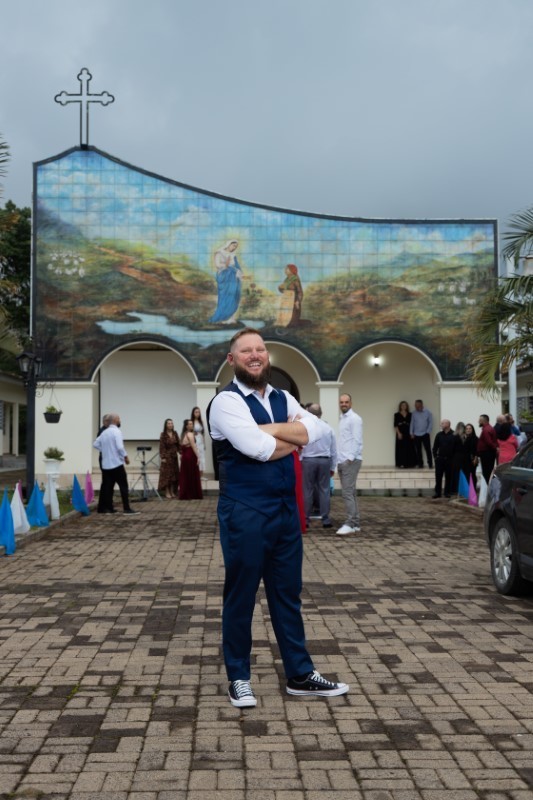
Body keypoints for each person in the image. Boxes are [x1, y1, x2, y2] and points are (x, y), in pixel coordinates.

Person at [208, 328, 349, 708]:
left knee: (287, 594)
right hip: (245, 511)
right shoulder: (225, 402)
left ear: (267, 356)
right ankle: (238, 677)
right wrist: (293, 437)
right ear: (232, 359)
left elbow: (320, 432)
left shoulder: (282, 397)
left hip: (285, 511)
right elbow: (256, 448)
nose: (255, 355)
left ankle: (300, 674)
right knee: (241, 595)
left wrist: (270, 432)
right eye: (246, 351)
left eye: (260, 349)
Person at [93, 413, 140, 515]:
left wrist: (105, 450)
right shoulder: (116, 431)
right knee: (123, 486)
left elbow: (95, 444)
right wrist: (125, 456)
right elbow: (120, 447)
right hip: (116, 464)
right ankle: (126, 508)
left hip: (106, 465)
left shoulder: (104, 432)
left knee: (108, 487)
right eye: (119, 419)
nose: (120, 420)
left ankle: (109, 508)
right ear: (114, 420)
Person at [301, 403, 337, 529]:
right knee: (324, 490)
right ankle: (325, 519)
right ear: (321, 414)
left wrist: (300, 460)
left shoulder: (305, 427)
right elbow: (334, 450)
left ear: (308, 413)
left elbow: (300, 446)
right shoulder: (328, 428)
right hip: (324, 460)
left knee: (307, 490)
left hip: (308, 461)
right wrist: (333, 466)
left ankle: (305, 519)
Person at [336, 393, 363, 535]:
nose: (344, 404)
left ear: (351, 403)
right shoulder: (343, 418)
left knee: (347, 493)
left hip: (350, 460)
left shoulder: (355, 419)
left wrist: (350, 459)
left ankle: (350, 523)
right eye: (341, 402)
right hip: (343, 460)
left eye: (346, 402)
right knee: (351, 492)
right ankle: (356, 523)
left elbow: (357, 440)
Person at [209, 239, 243, 324]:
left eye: (236, 247)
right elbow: (217, 265)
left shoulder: (233, 256)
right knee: (226, 297)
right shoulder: (219, 253)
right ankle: (223, 318)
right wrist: (226, 266)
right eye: (233, 245)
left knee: (233, 297)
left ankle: (230, 318)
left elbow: (237, 266)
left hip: (233, 278)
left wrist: (238, 271)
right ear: (228, 244)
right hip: (224, 277)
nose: (234, 247)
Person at [178, 420, 203, 499]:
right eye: (190, 424)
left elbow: (182, 446)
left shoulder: (183, 434)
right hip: (190, 456)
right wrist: (198, 456)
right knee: (191, 474)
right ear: (186, 426)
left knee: (186, 475)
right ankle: (192, 494)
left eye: (192, 424)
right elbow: (193, 446)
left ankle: (186, 493)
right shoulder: (190, 434)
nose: (191, 425)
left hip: (185, 456)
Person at [432, 419, 455, 498]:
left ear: (448, 424)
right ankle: (437, 493)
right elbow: (435, 447)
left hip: (450, 460)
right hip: (440, 459)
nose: (441, 425)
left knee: (448, 477)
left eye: (442, 423)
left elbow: (456, 448)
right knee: (438, 477)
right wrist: (435, 457)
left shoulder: (454, 434)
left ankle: (447, 492)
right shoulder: (439, 435)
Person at [158, 418, 180, 499]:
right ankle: (167, 491)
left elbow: (178, 444)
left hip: (174, 457)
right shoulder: (163, 434)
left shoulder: (175, 433)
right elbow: (162, 446)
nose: (170, 425)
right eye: (169, 423)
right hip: (167, 457)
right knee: (167, 475)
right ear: (166, 425)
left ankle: (172, 491)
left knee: (174, 475)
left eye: (171, 423)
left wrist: (181, 453)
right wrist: (163, 457)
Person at [410, 399, 433, 468]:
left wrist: (428, 432)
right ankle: (420, 464)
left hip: (425, 434)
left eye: (417, 406)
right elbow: (412, 423)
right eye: (415, 406)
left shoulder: (428, 412)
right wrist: (411, 433)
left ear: (421, 405)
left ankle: (430, 464)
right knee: (418, 450)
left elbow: (430, 422)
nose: (416, 407)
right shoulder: (414, 413)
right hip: (416, 434)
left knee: (428, 449)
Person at [477, 414, 498, 486]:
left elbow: (489, 442)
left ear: (484, 421)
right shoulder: (489, 428)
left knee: (487, 472)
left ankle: (491, 487)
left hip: (487, 454)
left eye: (480, 420)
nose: (478, 421)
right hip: (488, 453)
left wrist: (495, 448)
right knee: (489, 472)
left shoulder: (486, 430)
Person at [394, 401, 415, 468]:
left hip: (409, 433)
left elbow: (413, 424)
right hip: (400, 433)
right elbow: (395, 425)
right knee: (400, 448)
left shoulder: (410, 414)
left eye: (405, 405)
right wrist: (398, 433)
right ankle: (401, 463)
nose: (403, 406)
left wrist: (412, 433)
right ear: (400, 406)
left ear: (407, 406)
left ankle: (409, 464)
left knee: (409, 448)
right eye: (402, 405)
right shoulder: (396, 414)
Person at [191, 406, 206, 475]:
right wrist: (193, 433)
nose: (197, 413)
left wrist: (204, 443)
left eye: (199, 412)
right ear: (193, 413)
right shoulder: (191, 422)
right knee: (196, 455)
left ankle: (201, 474)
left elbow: (203, 433)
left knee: (201, 456)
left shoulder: (201, 421)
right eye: (196, 412)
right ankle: (195, 474)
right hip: (194, 439)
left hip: (201, 440)